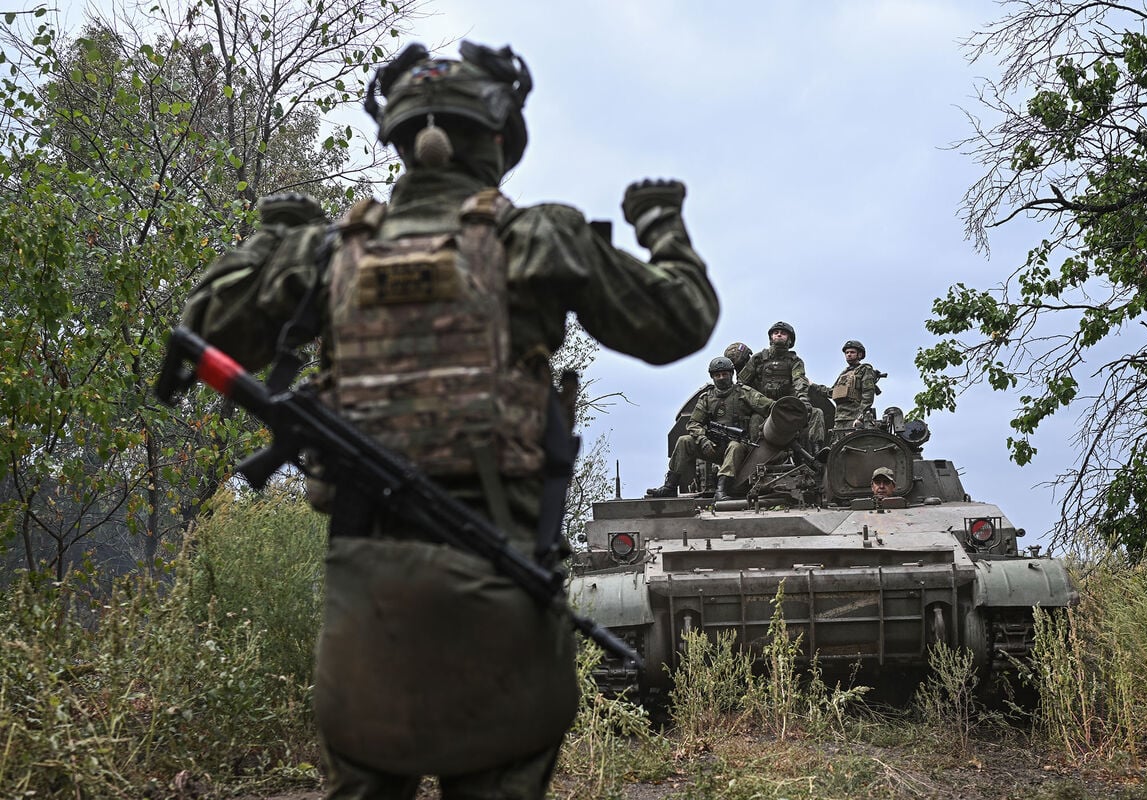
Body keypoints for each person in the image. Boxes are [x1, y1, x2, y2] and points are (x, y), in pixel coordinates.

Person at [180, 40, 718, 800]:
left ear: (400, 140)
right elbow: (679, 321)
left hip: (367, 601)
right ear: (499, 140)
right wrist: (663, 225)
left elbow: (203, 327)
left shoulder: (328, 253)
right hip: (504, 590)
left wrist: (273, 244)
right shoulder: (536, 238)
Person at [646, 356, 773, 501]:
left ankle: (722, 489)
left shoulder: (745, 393)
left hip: (742, 450)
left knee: (734, 446)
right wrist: (703, 440)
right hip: (714, 446)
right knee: (684, 441)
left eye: (724, 374)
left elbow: (769, 406)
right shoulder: (707, 398)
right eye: (717, 375)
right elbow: (693, 423)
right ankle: (670, 486)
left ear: (731, 374)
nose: (721, 378)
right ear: (712, 377)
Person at [737, 321, 817, 458]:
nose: (779, 334)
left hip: (787, 409)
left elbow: (799, 380)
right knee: (755, 420)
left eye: (783, 333)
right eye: (776, 333)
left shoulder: (794, 361)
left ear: (789, 339)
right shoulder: (758, 359)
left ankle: (811, 455)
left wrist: (803, 400)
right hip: (762, 409)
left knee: (816, 414)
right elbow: (741, 384)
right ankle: (755, 458)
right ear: (771, 338)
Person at [826, 339, 879, 429]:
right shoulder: (844, 373)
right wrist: (812, 385)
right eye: (847, 353)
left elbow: (868, 395)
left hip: (854, 418)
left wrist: (860, 417)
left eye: (852, 352)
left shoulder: (865, 369)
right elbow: (832, 392)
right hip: (839, 419)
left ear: (860, 354)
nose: (849, 354)